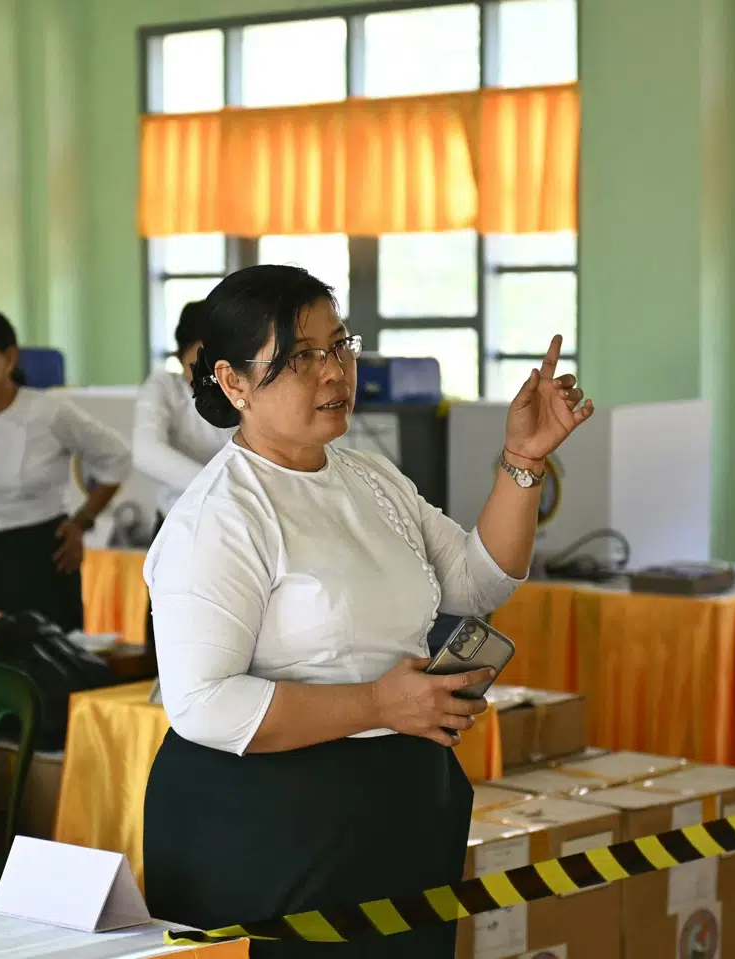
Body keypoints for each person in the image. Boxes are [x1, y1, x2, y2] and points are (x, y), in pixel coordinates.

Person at [142, 265, 593, 958]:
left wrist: (521, 460)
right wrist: (380, 704)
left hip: (399, 806)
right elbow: (202, 703)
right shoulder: (219, 518)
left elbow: (477, 581)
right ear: (233, 382)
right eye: (301, 356)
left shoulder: (368, 476)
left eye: (340, 345)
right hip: (274, 824)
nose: (334, 372)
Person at [0, 309, 132, 632]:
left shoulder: (48, 411)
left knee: (50, 662)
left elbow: (117, 456)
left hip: (41, 553)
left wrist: (83, 521)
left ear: (9, 357)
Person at [132, 300, 235, 528]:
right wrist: (221, 488)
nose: (207, 376)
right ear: (179, 357)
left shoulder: (242, 388)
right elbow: (146, 452)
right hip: (177, 520)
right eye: (196, 365)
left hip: (235, 523)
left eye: (215, 365)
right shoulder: (164, 386)